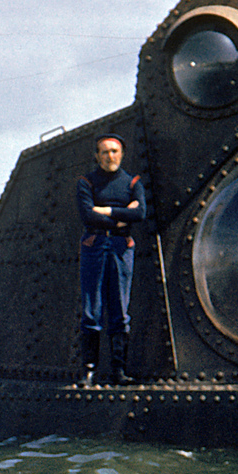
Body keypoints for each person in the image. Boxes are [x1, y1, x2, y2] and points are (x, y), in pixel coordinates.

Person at [76, 134, 147, 385]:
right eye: (105, 152)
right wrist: (121, 216)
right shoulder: (86, 182)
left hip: (121, 246)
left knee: (120, 309)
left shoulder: (132, 182)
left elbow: (140, 213)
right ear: (97, 156)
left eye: (115, 151)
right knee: (91, 308)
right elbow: (87, 215)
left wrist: (105, 210)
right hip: (95, 244)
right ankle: (89, 371)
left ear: (122, 153)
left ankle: (119, 371)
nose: (110, 156)